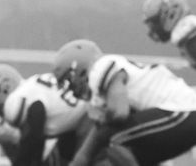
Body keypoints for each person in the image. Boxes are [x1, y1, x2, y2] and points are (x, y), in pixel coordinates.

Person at [53, 38, 196, 166]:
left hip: (182, 110)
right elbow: (93, 142)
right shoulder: (101, 95)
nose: (69, 86)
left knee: (113, 140)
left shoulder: (100, 67)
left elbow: (120, 113)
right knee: (131, 151)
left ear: (81, 68)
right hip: (180, 116)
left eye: (68, 78)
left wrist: (104, 118)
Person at [0, 70, 88, 166]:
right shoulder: (32, 84)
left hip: (86, 118)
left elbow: (35, 135)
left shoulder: (29, 104)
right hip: (81, 112)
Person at [141, 0, 196, 68]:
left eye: (155, 22)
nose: (154, 28)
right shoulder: (189, 36)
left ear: (171, 15)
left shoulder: (191, 40)